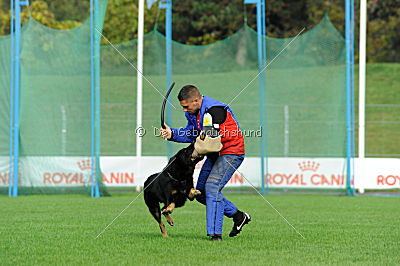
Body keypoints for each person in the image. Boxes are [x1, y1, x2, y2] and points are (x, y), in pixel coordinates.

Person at [160, 85, 251, 241]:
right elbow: (192, 133)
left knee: (212, 187)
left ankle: (215, 235)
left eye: (186, 106)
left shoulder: (215, 110)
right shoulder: (193, 112)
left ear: (196, 100)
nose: (184, 110)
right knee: (200, 192)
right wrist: (172, 133)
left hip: (231, 152)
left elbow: (210, 139)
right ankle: (238, 216)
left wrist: (194, 153)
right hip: (215, 153)